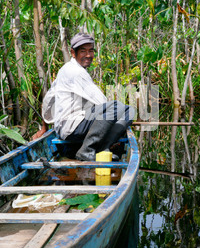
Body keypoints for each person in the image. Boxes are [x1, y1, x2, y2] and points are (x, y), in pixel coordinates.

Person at [36, 32, 135, 161]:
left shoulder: (66, 69)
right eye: (83, 51)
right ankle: (88, 149)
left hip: (69, 126)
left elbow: (49, 98)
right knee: (117, 107)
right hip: (72, 128)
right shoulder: (76, 72)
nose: (88, 55)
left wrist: (45, 126)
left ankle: (102, 147)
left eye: (91, 51)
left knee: (129, 111)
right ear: (73, 52)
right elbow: (103, 102)